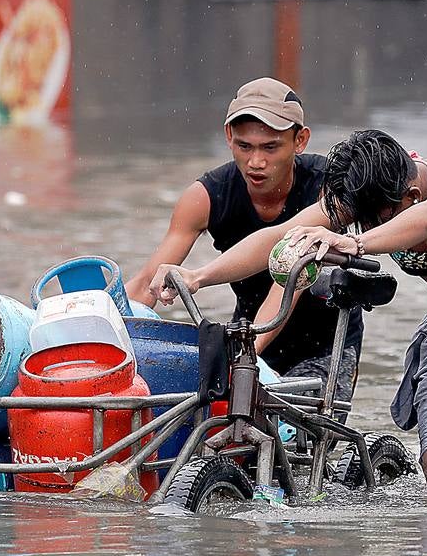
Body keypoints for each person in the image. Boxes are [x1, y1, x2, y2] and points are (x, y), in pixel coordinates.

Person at [151, 129, 427, 486]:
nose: (369, 226)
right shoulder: (362, 200)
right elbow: (280, 235)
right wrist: (199, 275)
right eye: (360, 221)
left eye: (379, 219)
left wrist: (353, 241)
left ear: (410, 192)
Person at [124, 77, 363, 401]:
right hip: (247, 330)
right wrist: (108, 338)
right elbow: (146, 284)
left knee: (296, 436)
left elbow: (286, 285)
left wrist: (242, 360)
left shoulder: (328, 187)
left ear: (300, 140)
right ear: (228, 137)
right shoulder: (206, 196)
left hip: (324, 346)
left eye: (271, 147)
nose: (256, 162)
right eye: (244, 146)